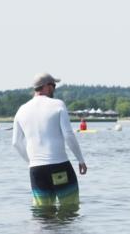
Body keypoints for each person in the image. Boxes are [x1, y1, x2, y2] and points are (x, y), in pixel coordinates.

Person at [12, 72, 87, 210]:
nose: (54, 88)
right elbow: (68, 135)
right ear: (46, 86)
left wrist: (31, 162)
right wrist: (81, 160)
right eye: (53, 85)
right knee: (69, 209)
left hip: (36, 170)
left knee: (42, 214)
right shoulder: (58, 104)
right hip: (59, 166)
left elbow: (16, 143)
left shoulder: (21, 110)